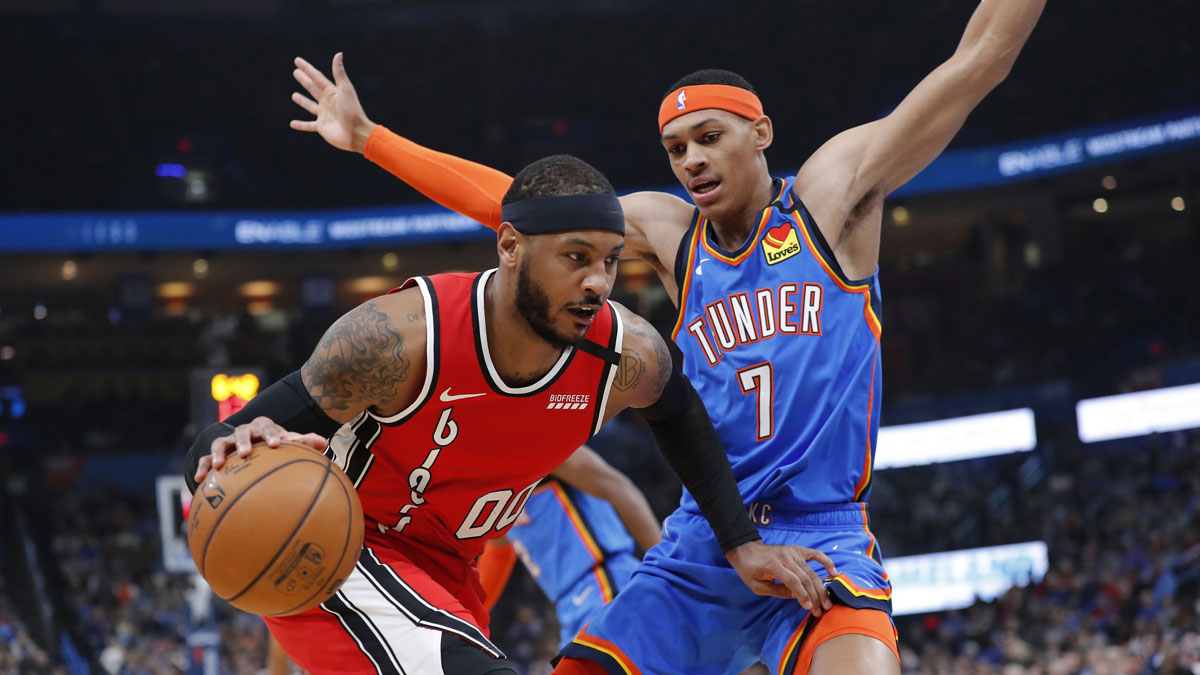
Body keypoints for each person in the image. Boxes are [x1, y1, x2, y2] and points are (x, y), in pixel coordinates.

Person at [287, 2, 1044, 672]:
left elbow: (979, 61)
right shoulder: (675, 233)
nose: (691, 161)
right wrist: (371, 139)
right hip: (705, 540)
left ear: (760, 132)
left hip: (825, 535)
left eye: (708, 137)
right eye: (677, 148)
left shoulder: (830, 199)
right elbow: (517, 207)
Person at [184, 155, 835, 675]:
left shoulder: (624, 352)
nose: (598, 282)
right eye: (575, 257)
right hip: (339, 547)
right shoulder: (396, 338)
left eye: (610, 260)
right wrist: (233, 445)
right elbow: (215, 448)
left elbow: (680, 412)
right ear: (510, 247)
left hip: (447, 573)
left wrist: (741, 542)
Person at [476, 445, 661, 650]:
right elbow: (499, 550)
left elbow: (619, 488)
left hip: (603, 582)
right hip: (570, 604)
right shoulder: (489, 481)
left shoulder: (539, 445)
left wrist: (667, 568)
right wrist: (468, 619)